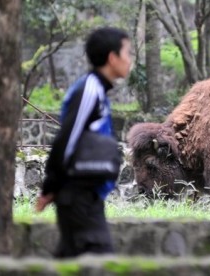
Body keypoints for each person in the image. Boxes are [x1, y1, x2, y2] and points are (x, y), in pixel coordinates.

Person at [35, 27, 132, 258]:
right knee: (100, 256)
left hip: (86, 195)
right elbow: (67, 137)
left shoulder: (97, 90)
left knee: (71, 257)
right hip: (78, 195)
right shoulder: (90, 89)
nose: (130, 60)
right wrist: (51, 186)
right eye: (128, 53)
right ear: (112, 57)